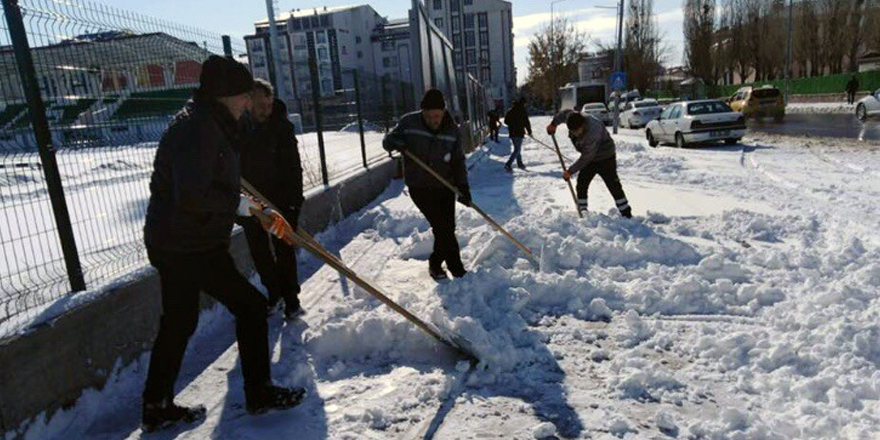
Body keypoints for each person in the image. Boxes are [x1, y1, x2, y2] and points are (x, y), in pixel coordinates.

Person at [142, 55, 304, 432]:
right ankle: (258, 392)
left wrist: (252, 206)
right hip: (185, 242)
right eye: (246, 95)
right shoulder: (197, 130)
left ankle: (156, 405)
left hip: (187, 239)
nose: (249, 102)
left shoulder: (214, 124)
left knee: (179, 322)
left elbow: (219, 181)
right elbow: (193, 197)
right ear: (227, 94)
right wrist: (245, 208)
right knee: (249, 306)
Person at [383, 89, 471, 280]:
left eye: (437, 115)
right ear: (422, 112)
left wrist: (463, 187)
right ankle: (456, 268)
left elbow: (458, 161)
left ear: (444, 112)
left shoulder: (452, 130)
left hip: (445, 186)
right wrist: (395, 142)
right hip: (420, 186)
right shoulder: (409, 123)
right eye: (429, 116)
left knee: (447, 227)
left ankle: (435, 263)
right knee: (441, 227)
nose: (433, 119)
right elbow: (388, 141)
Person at [241, 78, 304, 319]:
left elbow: (293, 168)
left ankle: (291, 300)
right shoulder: (239, 129)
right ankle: (274, 293)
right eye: (260, 106)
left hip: (280, 201)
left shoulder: (281, 127)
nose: (266, 111)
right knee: (259, 252)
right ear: (248, 103)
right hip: (250, 203)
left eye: (268, 105)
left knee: (284, 249)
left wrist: (294, 203)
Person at [547, 110, 632, 218]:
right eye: (572, 131)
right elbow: (563, 114)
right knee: (582, 183)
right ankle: (583, 211)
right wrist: (553, 124)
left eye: (576, 131)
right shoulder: (573, 117)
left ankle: (626, 213)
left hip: (605, 157)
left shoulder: (593, 132)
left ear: (583, 125)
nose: (574, 134)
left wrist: (570, 171)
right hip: (590, 157)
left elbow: (587, 157)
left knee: (613, 185)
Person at [503, 97, 532, 172]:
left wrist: (512, 124)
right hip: (519, 132)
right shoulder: (522, 111)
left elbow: (506, 121)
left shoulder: (510, 111)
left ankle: (520, 163)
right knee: (517, 149)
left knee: (517, 148)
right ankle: (508, 164)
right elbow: (526, 122)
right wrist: (529, 131)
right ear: (523, 103)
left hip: (512, 132)